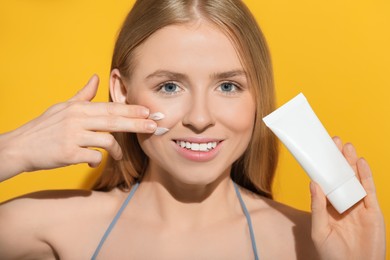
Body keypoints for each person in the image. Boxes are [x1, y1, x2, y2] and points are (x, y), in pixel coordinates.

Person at [0, 0, 385, 259]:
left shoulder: (310, 242)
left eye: (228, 86)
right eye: (169, 86)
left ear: (257, 96)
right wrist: (11, 152)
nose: (200, 118)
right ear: (121, 91)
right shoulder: (53, 227)